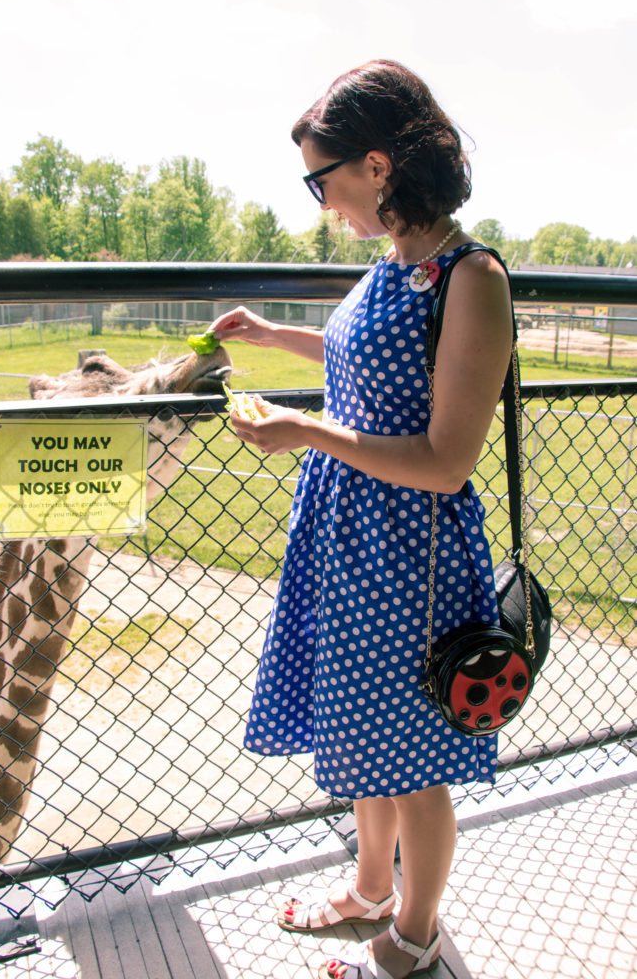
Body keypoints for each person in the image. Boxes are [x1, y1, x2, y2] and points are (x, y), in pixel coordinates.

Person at [210, 59, 513, 979]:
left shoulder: (471, 277)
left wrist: (306, 429)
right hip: (348, 538)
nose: (319, 201)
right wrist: (273, 337)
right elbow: (360, 353)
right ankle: (369, 887)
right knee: (357, 734)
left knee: (412, 759)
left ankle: (411, 938)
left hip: (410, 551)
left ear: (376, 166)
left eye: (321, 178)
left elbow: (444, 460)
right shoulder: (396, 264)